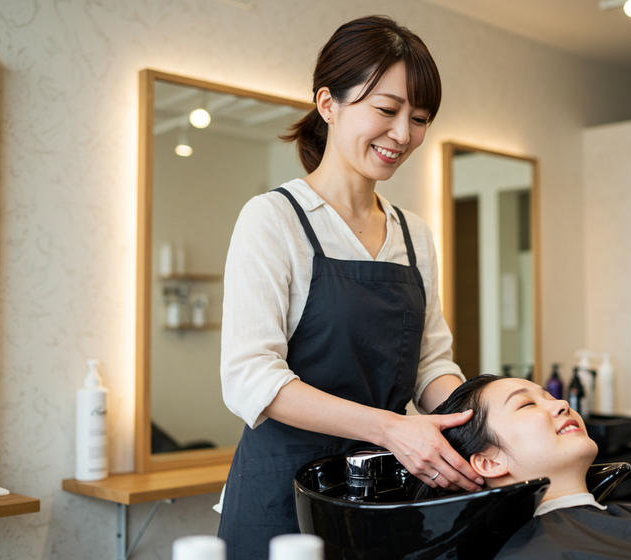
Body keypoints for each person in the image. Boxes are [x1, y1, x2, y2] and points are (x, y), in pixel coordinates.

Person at [217, 15, 482, 560]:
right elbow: (250, 378)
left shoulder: (415, 234)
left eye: (420, 118)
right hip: (281, 496)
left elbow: (431, 365)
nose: (403, 134)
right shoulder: (274, 218)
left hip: (381, 494)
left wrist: (483, 419)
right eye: (386, 110)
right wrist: (391, 429)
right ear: (328, 104)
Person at [410, 375, 631, 560]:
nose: (561, 404)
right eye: (526, 404)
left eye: (549, 396)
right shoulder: (540, 553)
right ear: (488, 462)